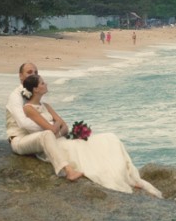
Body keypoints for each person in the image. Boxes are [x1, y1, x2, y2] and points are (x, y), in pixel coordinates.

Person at [21, 74, 163, 198]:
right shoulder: (29, 108)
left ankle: (127, 176)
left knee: (109, 138)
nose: (46, 84)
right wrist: (57, 125)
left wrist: (57, 126)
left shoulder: (46, 105)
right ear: (35, 89)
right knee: (84, 152)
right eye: (42, 83)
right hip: (54, 144)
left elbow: (64, 125)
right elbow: (51, 129)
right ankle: (117, 178)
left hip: (61, 138)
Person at [6, 63, 83, 181]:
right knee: (47, 135)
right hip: (20, 139)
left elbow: (61, 123)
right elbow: (24, 123)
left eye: (36, 72)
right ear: (20, 76)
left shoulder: (40, 102)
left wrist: (54, 130)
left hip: (36, 137)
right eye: (29, 72)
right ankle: (68, 171)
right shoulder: (15, 97)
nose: (33, 75)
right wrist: (51, 128)